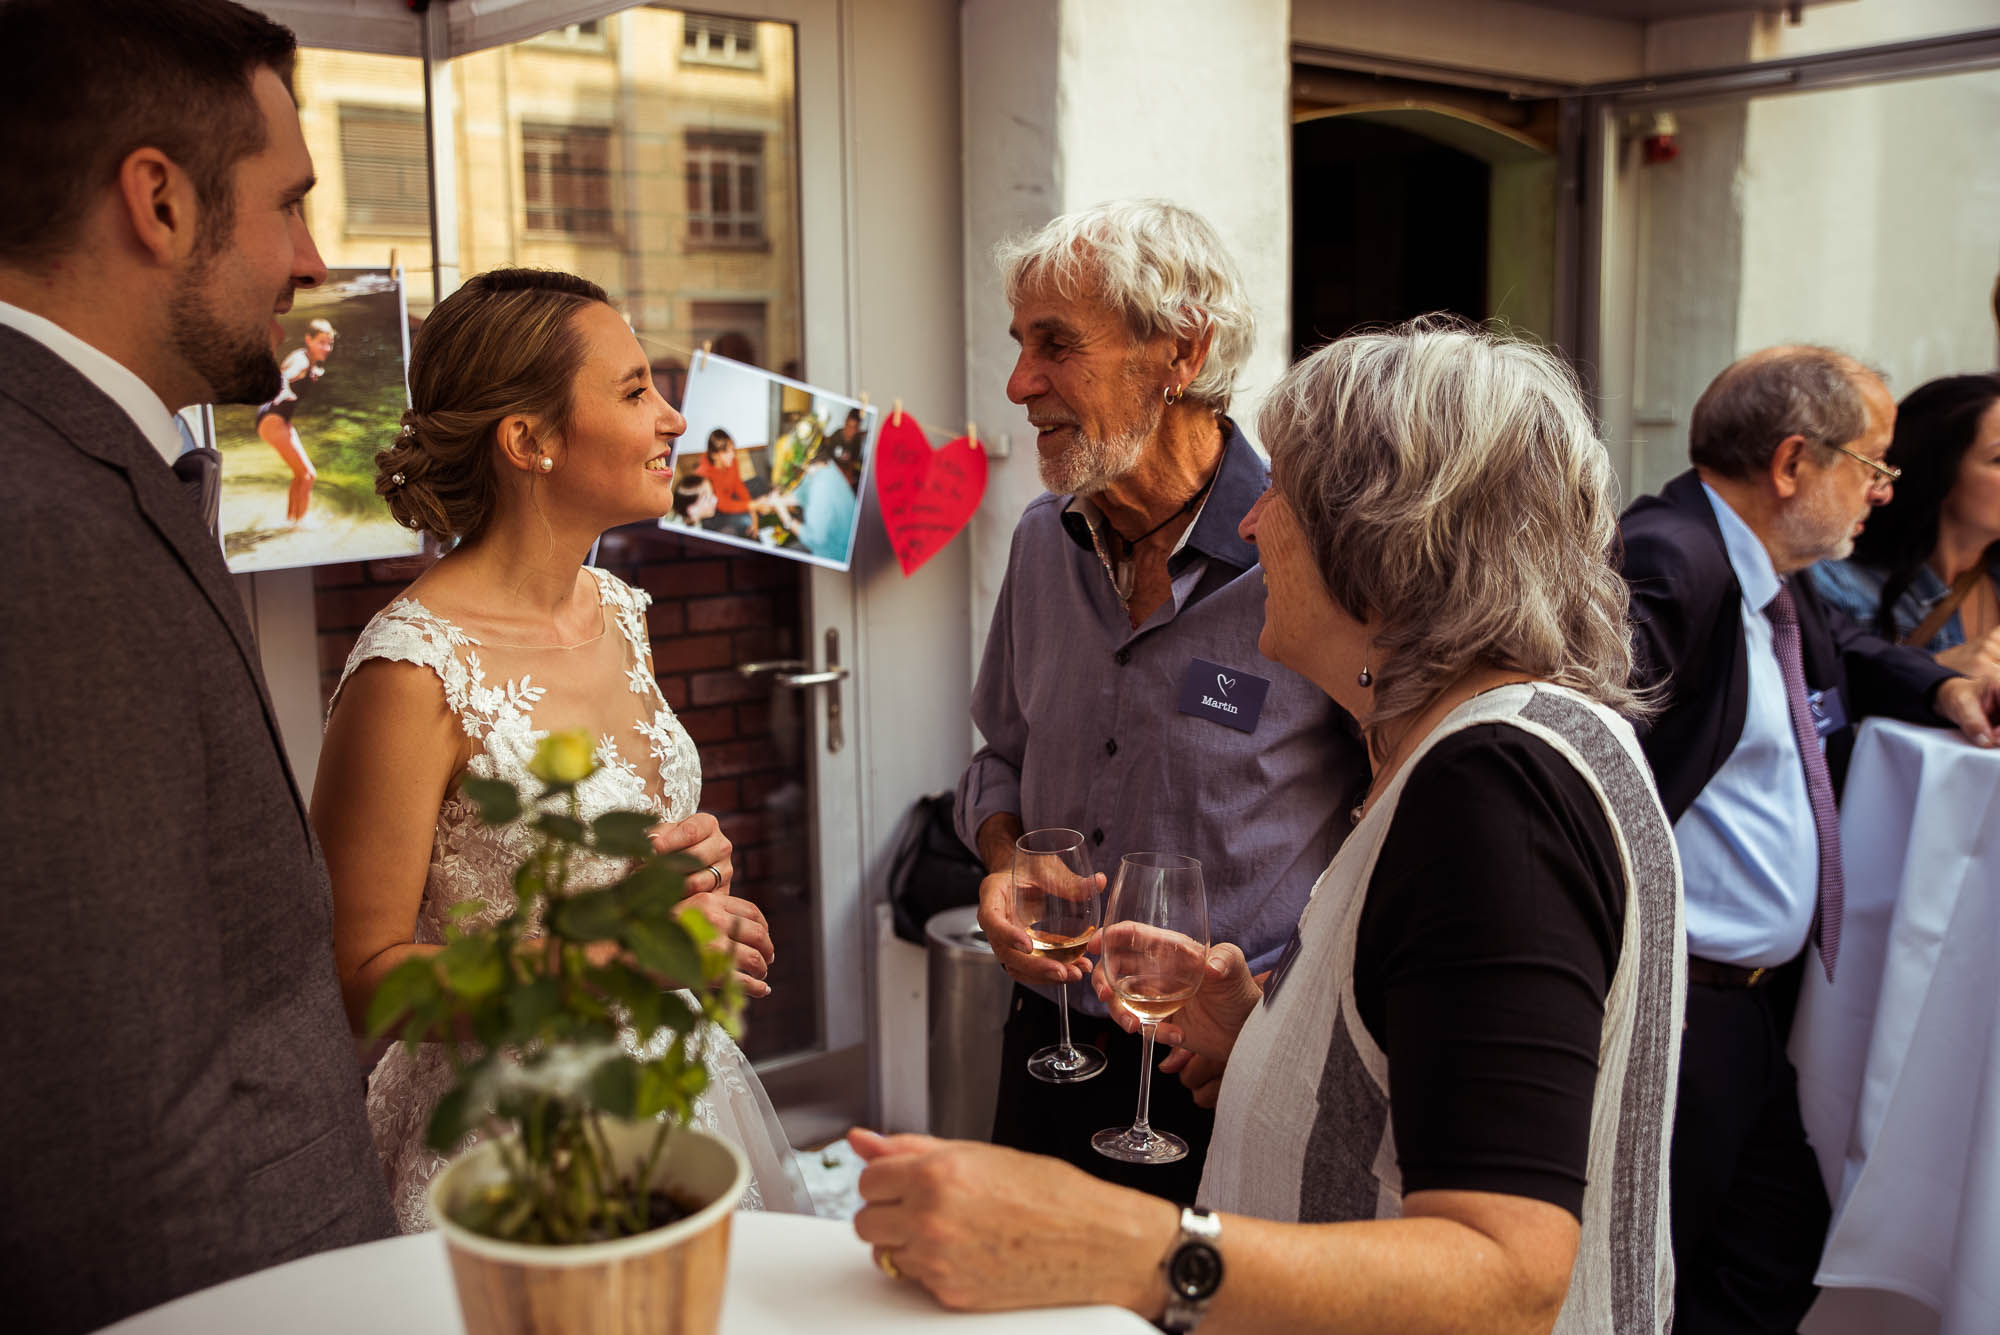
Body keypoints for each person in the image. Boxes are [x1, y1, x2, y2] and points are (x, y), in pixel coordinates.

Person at [854, 321, 1685, 1334]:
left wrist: (1120, 1247)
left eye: (1282, 493)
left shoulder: (1495, 792)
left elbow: (1505, 1277)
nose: (1250, 526)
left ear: (1380, 546)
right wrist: (1262, 1035)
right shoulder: (1500, 745)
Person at [0, 3, 396, 1330]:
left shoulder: (90, 456)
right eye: (289, 204)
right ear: (158, 202)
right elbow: (111, 1114)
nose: (312, 261)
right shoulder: (39, 526)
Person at [315, 268, 811, 1230]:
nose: (673, 418)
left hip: (666, 1091)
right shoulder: (412, 669)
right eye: (635, 391)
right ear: (528, 440)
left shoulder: (619, 610)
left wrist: (681, 880)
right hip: (508, 1144)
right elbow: (357, 984)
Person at [959, 199, 1369, 1202]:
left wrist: (1273, 1007)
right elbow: (998, 759)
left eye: (1055, 345)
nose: (1019, 384)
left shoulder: (1312, 556)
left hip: (1222, 1067)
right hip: (1052, 1040)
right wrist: (1006, 861)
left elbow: (1386, 825)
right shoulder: (1040, 542)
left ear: (1181, 352)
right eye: (1019, 345)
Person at [1617, 346, 1998, 1334]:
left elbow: (1853, 656)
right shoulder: (1669, 559)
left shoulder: (1772, 581)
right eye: (1871, 464)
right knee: (1657, 1273)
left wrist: (1944, 686)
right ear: (1792, 462)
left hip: (1744, 1007)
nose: (1883, 491)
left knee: (1775, 1255)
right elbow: (1589, 747)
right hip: (1677, 1002)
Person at [1808, 373, 2000, 679]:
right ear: (1939, 469)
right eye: (1998, 459)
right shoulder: (1835, 583)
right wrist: (1934, 676)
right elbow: (1808, 698)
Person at [254, 315, 336, 521]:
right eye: (322, 342)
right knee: (309, 475)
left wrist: (312, 373)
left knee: (301, 475)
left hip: (276, 419)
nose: (326, 348)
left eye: (329, 343)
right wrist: (285, 390)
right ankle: (300, 526)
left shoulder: (307, 360)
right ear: (309, 339)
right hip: (273, 420)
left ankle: (290, 521)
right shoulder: (301, 360)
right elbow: (284, 377)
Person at [693, 428, 758, 537]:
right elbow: (722, 504)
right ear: (714, 455)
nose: (732, 455)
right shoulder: (704, 474)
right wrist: (752, 506)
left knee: (759, 482)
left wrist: (753, 512)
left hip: (728, 497)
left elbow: (739, 486)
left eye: (732, 450)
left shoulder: (732, 461)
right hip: (714, 512)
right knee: (746, 521)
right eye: (727, 452)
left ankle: (753, 516)